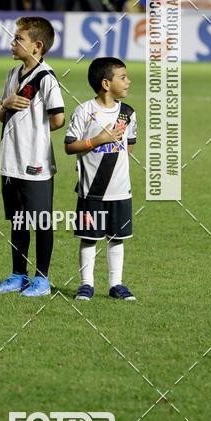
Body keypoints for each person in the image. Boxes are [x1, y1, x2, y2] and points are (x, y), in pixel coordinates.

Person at [0, 17, 65, 298]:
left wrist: (35, 134)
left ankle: (42, 280)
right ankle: (18, 275)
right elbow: (1, 115)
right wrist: (5, 103)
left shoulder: (46, 77)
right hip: (11, 161)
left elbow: (58, 118)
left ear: (37, 46)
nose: (12, 43)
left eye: (19, 39)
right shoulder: (13, 74)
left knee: (41, 222)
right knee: (18, 220)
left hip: (35, 163)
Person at [64, 58, 137, 302]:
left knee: (117, 238)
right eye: (123, 77)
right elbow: (69, 146)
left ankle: (116, 284)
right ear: (106, 84)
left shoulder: (127, 113)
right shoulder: (85, 111)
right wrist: (98, 141)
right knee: (89, 237)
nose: (128, 82)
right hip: (92, 189)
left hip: (120, 189)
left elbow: (129, 146)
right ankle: (86, 284)